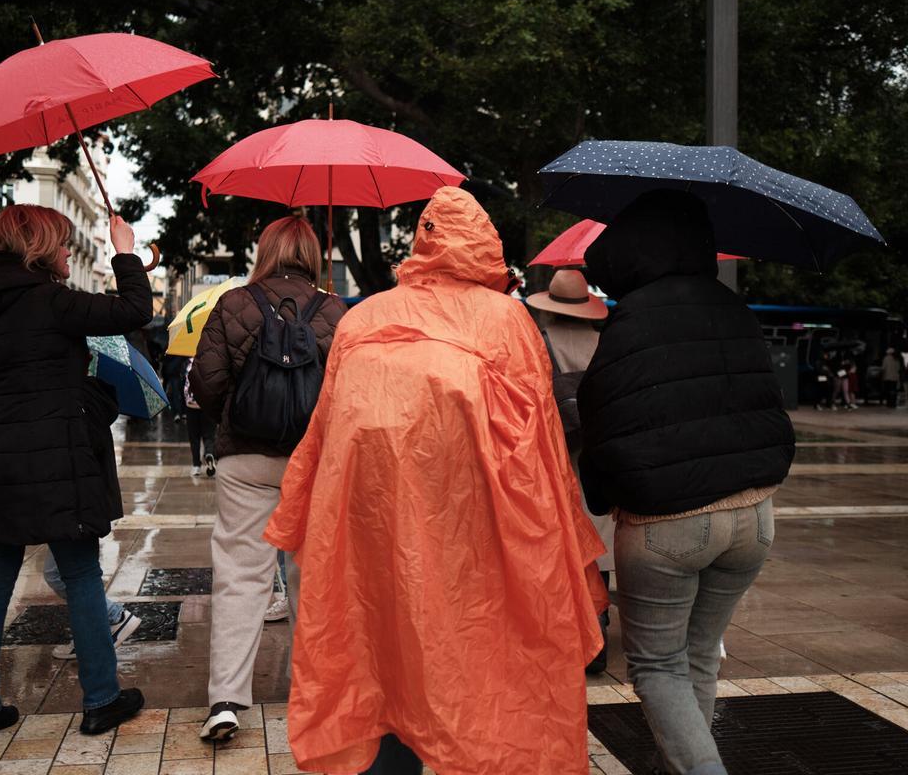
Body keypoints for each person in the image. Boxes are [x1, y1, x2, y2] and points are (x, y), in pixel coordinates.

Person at [264, 187, 608, 774]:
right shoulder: (508, 321)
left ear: (422, 240)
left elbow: (320, 437)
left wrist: (298, 515)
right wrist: (567, 546)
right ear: (486, 247)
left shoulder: (363, 316)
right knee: (476, 680)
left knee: (383, 664)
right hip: (475, 543)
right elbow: (544, 448)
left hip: (373, 536)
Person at [577, 190, 795, 775]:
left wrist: (599, 497)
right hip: (754, 517)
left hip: (666, 524)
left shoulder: (632, 320)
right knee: (698, 657)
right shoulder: (731, 308)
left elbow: (604, 424)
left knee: (657, 667)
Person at [0, 205, 150, 744]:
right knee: (81, 575)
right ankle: (102, 700)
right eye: (61, 244)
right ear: (38, 247)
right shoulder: (52, 300)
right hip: (57, 457)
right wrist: (124, 249)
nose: (67, 253)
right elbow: (133, 309)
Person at [190, 216, 346, 742]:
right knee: (314, 579)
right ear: (313, 255)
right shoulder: (333, 310)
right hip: (315, 461)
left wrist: (233, 416)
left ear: (266, 250)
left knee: (239, 574)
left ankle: (226, 701)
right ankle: (319, 694)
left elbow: (206, 382)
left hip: (244, 459)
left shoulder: (234, 303)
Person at [526, 267, 614, 675]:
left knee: (569, 539)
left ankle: (576, 625)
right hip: (600, 452)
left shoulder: (540, 342)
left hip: (559, 452)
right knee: (602, 536)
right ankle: (601, 620)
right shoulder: (606, 344)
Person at [184, 358, 217, 477]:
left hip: (191, 405)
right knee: (209, 435)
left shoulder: (189, 365)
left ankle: (196, 466)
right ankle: (209, 452)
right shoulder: (210, 363)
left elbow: (185, 388)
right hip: (207, 405)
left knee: (194, 437)